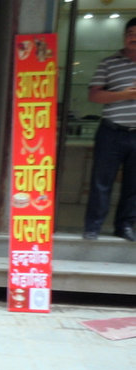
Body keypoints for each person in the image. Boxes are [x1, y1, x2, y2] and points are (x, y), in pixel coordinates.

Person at [83, 17, 136, 242]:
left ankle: (125, 226)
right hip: (111, 132)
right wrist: (126, 94)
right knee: (101, 182)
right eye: (130, 33)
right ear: (124, 37)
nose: (133, 37)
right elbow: (94, 95)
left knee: (134, 185)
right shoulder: (109, 63)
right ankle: (93, 227)